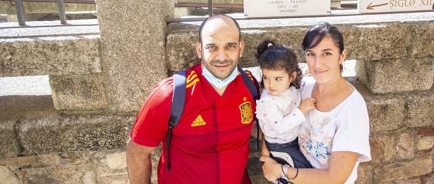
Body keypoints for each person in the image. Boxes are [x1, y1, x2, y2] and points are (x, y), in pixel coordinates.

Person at [126, 14, 259, 184]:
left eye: (230, 46)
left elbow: (261, 126)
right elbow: (137, 151)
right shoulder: (170, 94)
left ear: (240, 48)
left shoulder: (250, 86)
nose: (221, 57)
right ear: (199, 49)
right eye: (212, 47)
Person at [260, 22, 371, 184]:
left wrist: (281, 170)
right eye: (311, 54)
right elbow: (271, 113)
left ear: (342, 56)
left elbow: (335, 179)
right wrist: (266, 153)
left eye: (327, 53)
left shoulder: (352, 108)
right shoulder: (303, 86)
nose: (317, 64)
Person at [255, 39, 314, 178]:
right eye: (266, 77)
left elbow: (294, 92)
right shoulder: (267, 102)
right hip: (281, 145)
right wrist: (301, 110)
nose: (270, 84)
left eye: (277, 79)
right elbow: (280, 127)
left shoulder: (288, 88)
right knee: (304, 172)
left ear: (292, 76)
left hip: (293, 138)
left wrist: (305, 75)